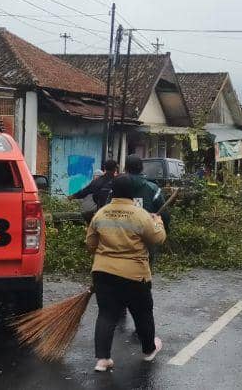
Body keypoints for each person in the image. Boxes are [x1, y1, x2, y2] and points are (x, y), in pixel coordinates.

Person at [86, 175, 166, 372]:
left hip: (103, 273)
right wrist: (158, 222)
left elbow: (90, 244)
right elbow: (157, 239)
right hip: (134, 275)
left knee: (106, 315)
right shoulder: (140, 215)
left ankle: (102, 360)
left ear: (113, 191)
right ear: (133, 192)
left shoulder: (101, 214)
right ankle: (149, 350)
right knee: (143, 313)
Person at [124, 155, 168, 263]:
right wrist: (164, 229)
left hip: (122, 236)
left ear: (125, 168)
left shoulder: (118, 187)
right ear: (142, 168)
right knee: (146, 264)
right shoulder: (153, 188)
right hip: (146, 237)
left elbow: (106, 208)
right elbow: (164, 214)